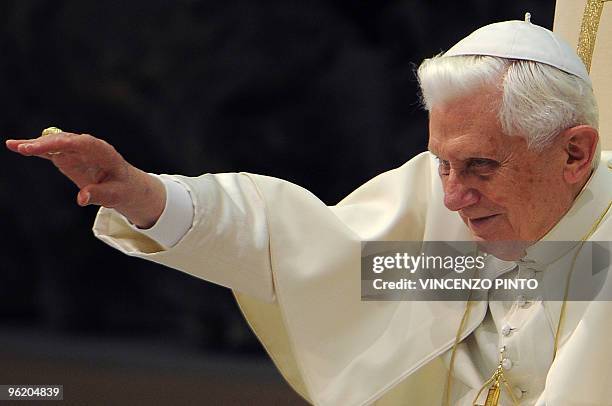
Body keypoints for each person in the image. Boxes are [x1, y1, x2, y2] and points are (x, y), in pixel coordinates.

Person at [6, 17, 612, 406]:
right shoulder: (449, 224)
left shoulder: (601, 260)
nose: (452, 197)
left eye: (481, 167)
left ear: (575, 153)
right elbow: (305, 250)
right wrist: (146, 196)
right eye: (442, 165)